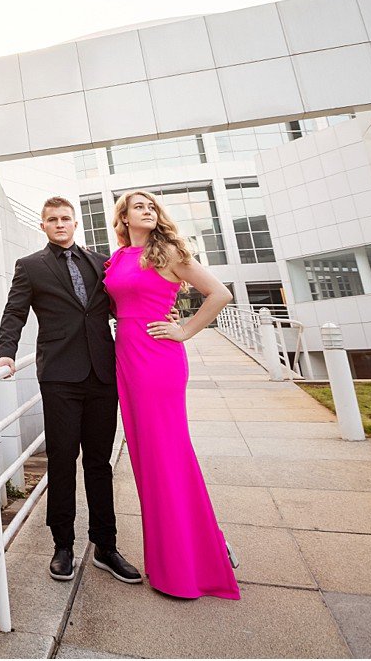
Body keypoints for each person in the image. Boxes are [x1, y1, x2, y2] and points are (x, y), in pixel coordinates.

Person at [0, 197, 142, 585]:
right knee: (62, 460)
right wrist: (5, 354)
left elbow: (121, 302)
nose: (59, 224)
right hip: (60, 375)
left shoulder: (100, 262)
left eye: (65, 219)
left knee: (99, 463)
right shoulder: (30, 267)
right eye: (52, 220)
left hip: (101, 374)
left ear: (75, 223)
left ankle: (106, 546)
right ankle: (63, 546)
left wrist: (161, 315)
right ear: (43, 225)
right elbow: (15, 312)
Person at [104, 189, 241, 600]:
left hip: (158, 359)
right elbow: (117, 302)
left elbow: (220, 294)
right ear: (124, 218)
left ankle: (194, 559)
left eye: (151, 207)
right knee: (148, 459)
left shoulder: (170, 253)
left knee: (167, 454)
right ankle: (195, 548)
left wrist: (183, 330)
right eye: (138, 207)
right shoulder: (117, 258)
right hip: (127, 358)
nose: (147, 211)